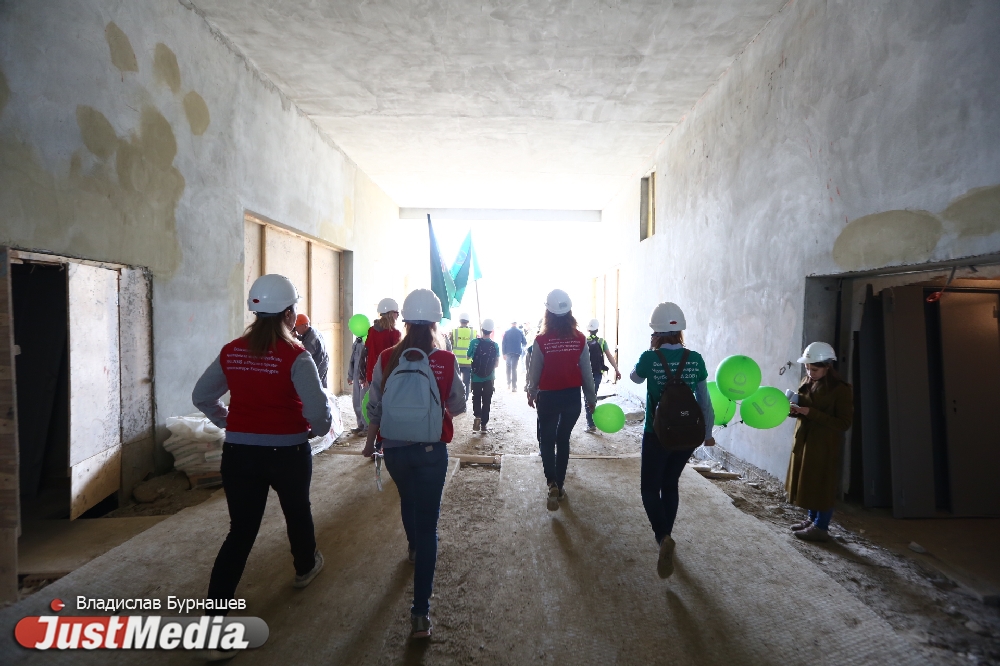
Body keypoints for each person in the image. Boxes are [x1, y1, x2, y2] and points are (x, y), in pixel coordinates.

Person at [192, 274, 332, 630]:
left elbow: (201, 396)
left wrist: (229, 423)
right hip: (287, 453)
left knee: (240, 531)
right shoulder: (297, 357)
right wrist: (317, 430)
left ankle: (213, 617)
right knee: (297, 511)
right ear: (288, 315)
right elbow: (318, 414)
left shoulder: (231, 351)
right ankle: (305, 568)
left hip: (239, 454)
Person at [362, 289, 465, 639]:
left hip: (393, 449)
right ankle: (420, 614)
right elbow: (459, 404)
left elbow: (373, 405)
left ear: (404, 321)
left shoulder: (388, 356)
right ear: (435, 322)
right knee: (429, 523)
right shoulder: (446, 360)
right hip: (431, 450)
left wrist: (368, 441)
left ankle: (412, 549)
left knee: (408, 499)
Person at [630, 302, 714, 579]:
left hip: (657, 433)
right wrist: (708, 433)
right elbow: (705, 402)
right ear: (680, 332)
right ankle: (668, 534)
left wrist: (649, 353)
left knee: (649, 488)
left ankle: (662, 536)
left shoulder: (649, 358)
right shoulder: (696, 358)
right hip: (688, 434)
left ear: (655, 332)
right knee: (670, 484)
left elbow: (634, 377)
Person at [526, 289, 597, 511]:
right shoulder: (580, 339)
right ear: (569, 313)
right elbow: (587, 372)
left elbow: (534, 370)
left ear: (548, 313)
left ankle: (552, 483)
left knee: (546, 440)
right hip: (571, 398)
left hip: (548, 398)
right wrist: (591, 398)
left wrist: (531, 391)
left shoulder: (541, 340)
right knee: (563, 439)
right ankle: (561, 484)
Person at [786, 342, 853, 543]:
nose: (810, 372)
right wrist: (793, 410)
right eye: (807, 367)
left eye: (814, 369)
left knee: (821, 485)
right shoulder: (807, 381)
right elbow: (803, 408)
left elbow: (843, 423)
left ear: (827, 366)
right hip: (805, 439)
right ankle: (811, 519)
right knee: (808, 482)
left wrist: (810, 412)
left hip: (823, 445)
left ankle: (821, 527)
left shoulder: (841, 390)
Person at [583, 318, 622, 433]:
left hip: (585, 373)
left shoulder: (584, 341)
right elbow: (609, 356)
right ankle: (591, 423)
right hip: (597, 374)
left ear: (588, 330)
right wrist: (616, 369)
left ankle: (590, 424)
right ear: (597, 329)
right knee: (592, 396)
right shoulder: (602, 342)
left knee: (587, 397)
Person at [468, 319, 500, 433]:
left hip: (475, 376)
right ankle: (484, 425)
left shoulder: (474, 342)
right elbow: (496, 364)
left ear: (482, 329)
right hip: (489, 377)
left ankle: (477, 416)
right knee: (487, 400)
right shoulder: (495, 345)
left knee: (476, 397)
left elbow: (468, 357)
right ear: (491, 331)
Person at [365, 298, 401, 384]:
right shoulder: (395, 333)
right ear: (391, 314)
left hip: (372, 375)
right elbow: (397, 357)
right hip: (387, 376)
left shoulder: (371, 331)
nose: (397, 316)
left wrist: (365, 375)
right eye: (397, 313)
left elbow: (366, 352)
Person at [294, 313, 330, 388]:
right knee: (322, 384)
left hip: (318, 363)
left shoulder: (310, 342)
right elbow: (306, 338)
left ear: (305, 325)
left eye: (297, 327)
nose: (296, 329)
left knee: (316, 386)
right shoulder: (312, 330)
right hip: (324, 359)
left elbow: (305, 357)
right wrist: (298, 337)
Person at [451, 313, 476, 400]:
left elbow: (450, 346)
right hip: (468, 362)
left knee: (456, 382)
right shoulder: (473, 333)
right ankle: (464, 399)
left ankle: (457, 399)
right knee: (466, 382)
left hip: (456, 362)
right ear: (468, 321)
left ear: (460, 321)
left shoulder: (454, 332)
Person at [347, 332, 368, 435]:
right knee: (356, 401)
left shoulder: (368, 340)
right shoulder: (357, 341)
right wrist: (350, 375)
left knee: (364, 401)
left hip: (364, 376)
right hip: (356, 375)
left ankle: (367, 427)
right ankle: (360, 425)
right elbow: (352, 360)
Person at [501, 320, 527, 392]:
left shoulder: (507, 332)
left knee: (508, 367)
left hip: (508, 352)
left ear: (511, 324)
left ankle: (508, 383)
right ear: (516, 324)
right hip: (516, 352)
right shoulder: (520, 331)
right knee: (514, 369)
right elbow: (524, 342)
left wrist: (503, 353)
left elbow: (503, 343)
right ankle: (514, 387)